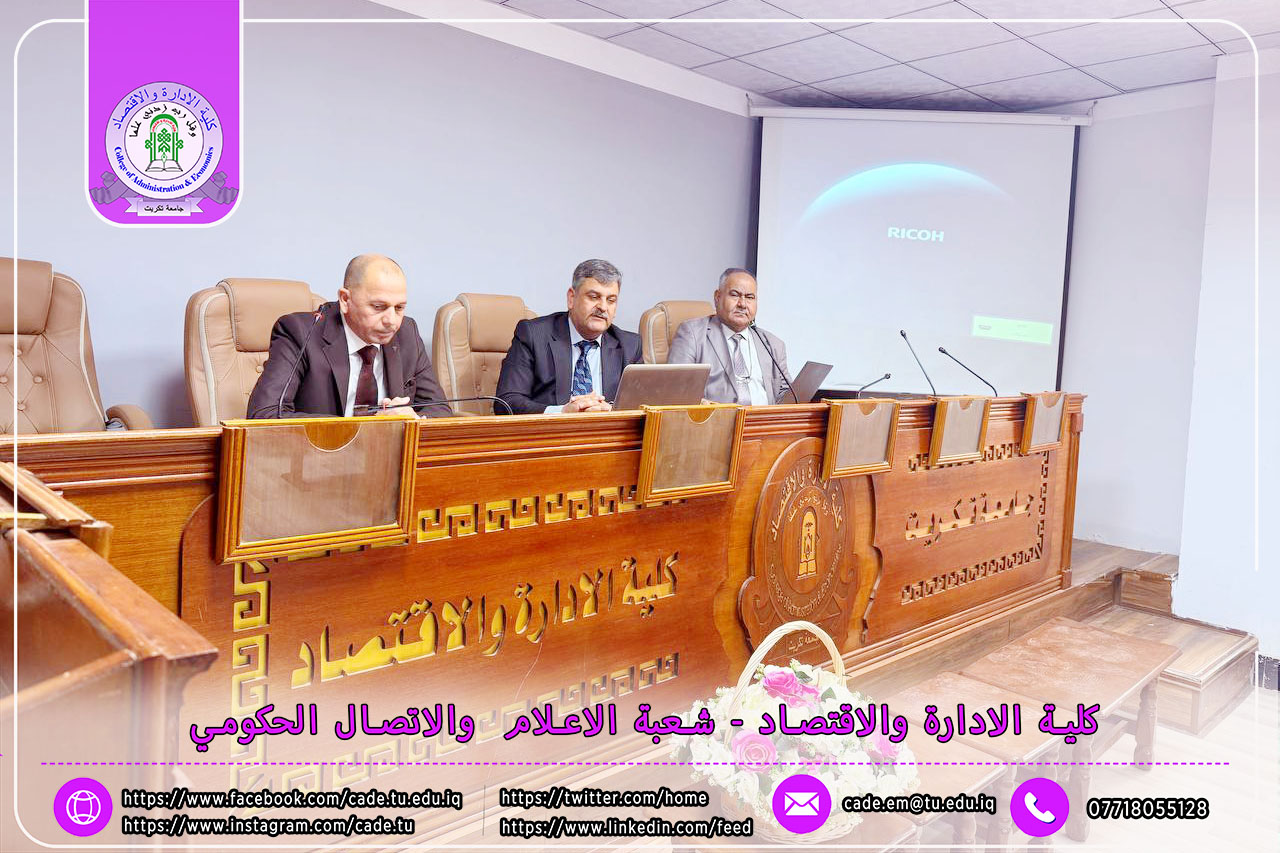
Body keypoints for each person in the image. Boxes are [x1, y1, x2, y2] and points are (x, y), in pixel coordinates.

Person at [247, 253, 451, 418]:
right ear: (345, 300)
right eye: (378, 307)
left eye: (399, 308)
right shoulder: (300, 333)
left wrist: (413, 418)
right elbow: (265, 414)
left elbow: (440, 410)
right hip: (319, 454)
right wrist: (364, 427)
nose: (391, 320)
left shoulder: (407, 333)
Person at [496, 259, 642, 414]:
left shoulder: (630, 345)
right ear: (571, 298)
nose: (603, 307)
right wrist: (562, 412)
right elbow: (507, 403)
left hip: (608, 429)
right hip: (552, 429)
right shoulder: (533, 335)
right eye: (594, 297)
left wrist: (613, 411)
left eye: (611, 300)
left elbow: (645, 404)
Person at [667, 268, 791, 405]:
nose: (742, 304)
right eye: (735, 295)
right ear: (717, 297)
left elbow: (787, 395)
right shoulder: (692, 334)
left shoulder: (773, 344)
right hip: (717, 417)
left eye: (750, 297)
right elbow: (677, 390)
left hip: (764, 418)